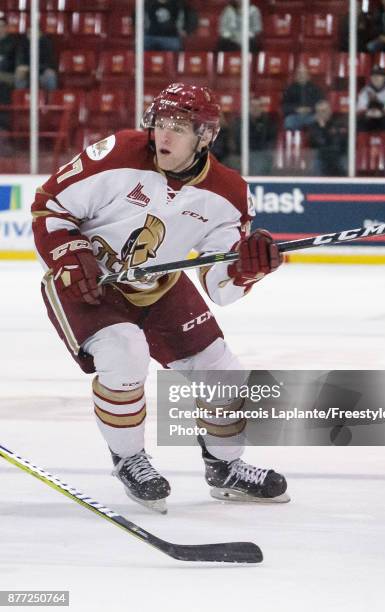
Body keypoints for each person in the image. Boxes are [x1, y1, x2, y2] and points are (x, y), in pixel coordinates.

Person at [31, 82, 289, 513]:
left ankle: (225, 468)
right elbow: (50, 205)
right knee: (125, 351)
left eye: (180, 127)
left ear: (204, 136)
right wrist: (70, 256)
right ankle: (130, 458)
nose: (164, 136)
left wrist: (247, 269)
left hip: (159, 288)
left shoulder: (228, 195)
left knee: (224, 374)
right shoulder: (117, 154)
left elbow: (218, 284)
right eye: (161, 123)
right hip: (89, 284)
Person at [231, 96, 277, 175]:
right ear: (248, 107)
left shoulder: (268, 122)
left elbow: (271, 141)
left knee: (261, 160)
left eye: (258, 106)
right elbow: (239, 141)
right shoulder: (241, 122)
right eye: (253, 106)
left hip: (262, 154)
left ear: (261, 108)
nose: (255, 108)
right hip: (244, 154)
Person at [308, 100, 347, 177]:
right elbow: (318, 143)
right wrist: (322, 127)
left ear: (330, 111)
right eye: (320, 111)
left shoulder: (338, 123)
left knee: (344, 163)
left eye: (325, 110)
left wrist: (325, 130)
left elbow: (339, 142)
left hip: (338, 155)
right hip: (321, 156)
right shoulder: (313, 126)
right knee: (316, 164)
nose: (323, 113)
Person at [357, 64, 385, 133]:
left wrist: (382, 111)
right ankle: (362, 142)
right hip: (368, 119)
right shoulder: (365, 90)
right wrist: (367, 112)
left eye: (379, 75)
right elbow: (360, 108)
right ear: (370, 77)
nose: (376, 78)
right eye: (373, 75)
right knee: (358, 120)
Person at [282, 64, 325, 131]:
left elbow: (322, 104)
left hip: (312, 116)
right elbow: (284, 106)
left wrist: (310, 109)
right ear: (295, 76)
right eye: (299, 73)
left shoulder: (316, 89)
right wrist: (296, 109)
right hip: (296, 116)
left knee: (320, 120)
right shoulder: (289, 89)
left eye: (304, 73)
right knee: (288, 121)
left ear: (308, 76)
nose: (301, 75)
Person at [0, 17, 18, 129]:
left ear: (6, 28)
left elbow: (17, 65)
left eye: (1, 26)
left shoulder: (14, 44)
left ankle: (3, 127)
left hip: (10, 77)